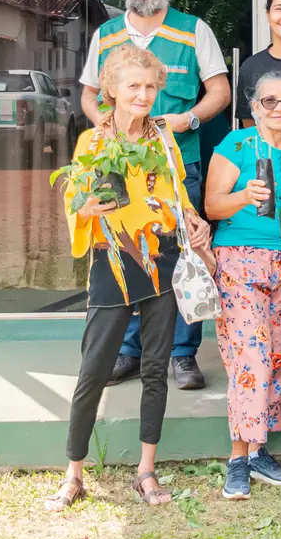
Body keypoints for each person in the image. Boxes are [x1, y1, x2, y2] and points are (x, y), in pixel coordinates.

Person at [45, 44, 214, 512]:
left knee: (156, 368)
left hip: (162, 257)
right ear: (112, 91)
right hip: (114, 260)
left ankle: (146, 470)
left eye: (150, 87)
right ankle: (74, 473)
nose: (143, 95)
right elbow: (77, 205)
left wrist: (193, 220)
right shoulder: (93, 142)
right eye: (133, 86)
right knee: (93, 370)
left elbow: (178, 194)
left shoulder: (163, 138)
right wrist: (85, 209)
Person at [79, 0, 231, 391]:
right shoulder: (106, 34)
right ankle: (129, 351)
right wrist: (105, 126)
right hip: (120, 167)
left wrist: (189, 119)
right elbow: (88, 94)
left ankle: (183, 353)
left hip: (179, 165)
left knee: (183, 253)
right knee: (126, 250)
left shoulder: (193, 30)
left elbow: (220, 91)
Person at [206, 71, 281, 501]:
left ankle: (259, 450)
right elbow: (212, 205)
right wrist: (245, 196)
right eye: (269, 101)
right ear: (254, 106)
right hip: (239, 257)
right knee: (251, 357)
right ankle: (237, 458)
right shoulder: (238, 144)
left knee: (280, 356)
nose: (279, 108)